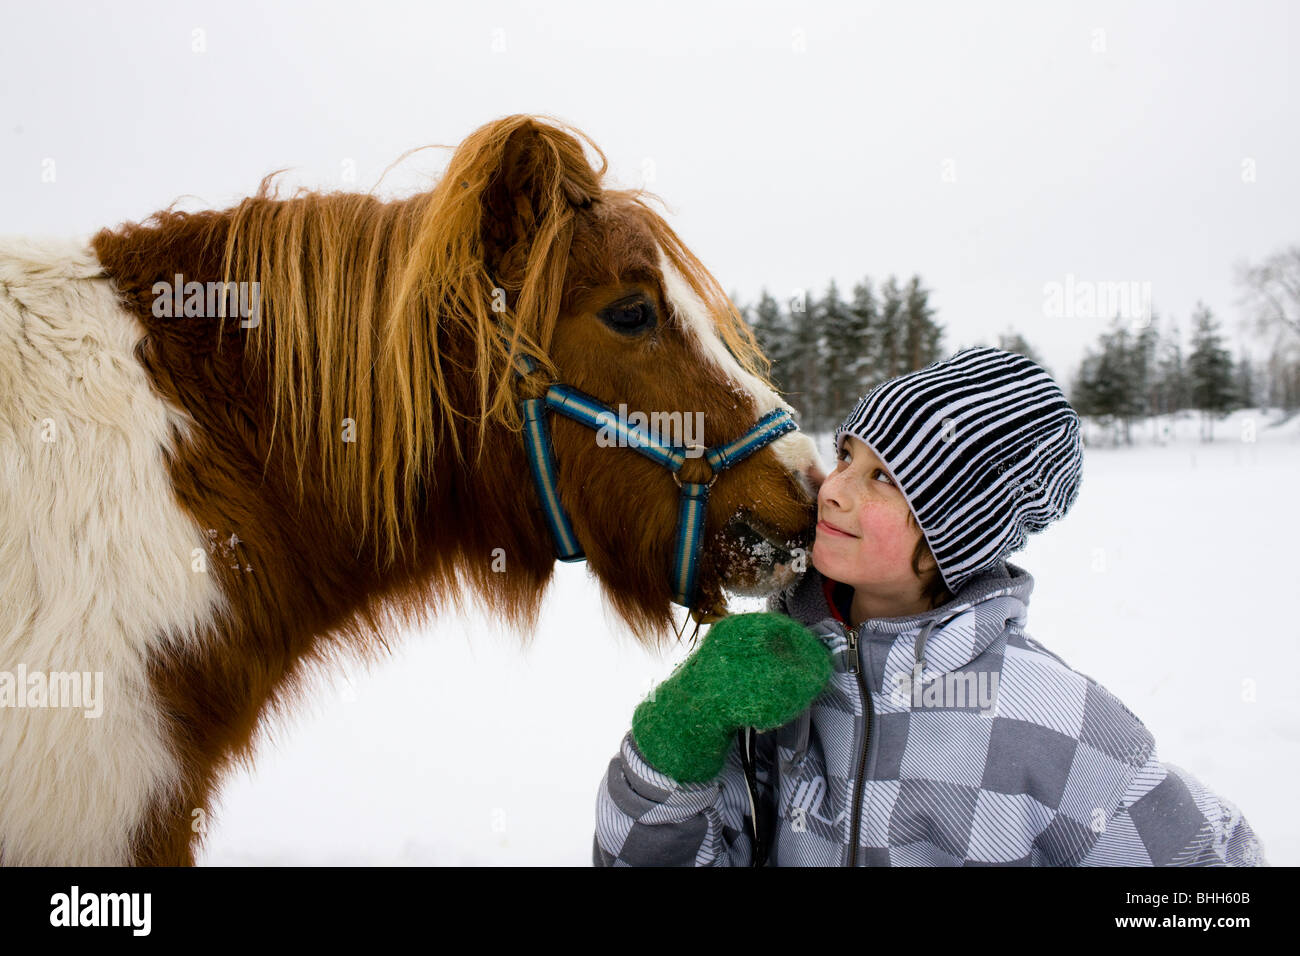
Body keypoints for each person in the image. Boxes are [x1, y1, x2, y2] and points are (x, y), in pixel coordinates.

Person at [592, 346, 1267, 866]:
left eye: (883, 478)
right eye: (847, 455)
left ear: (958, 528)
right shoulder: (772, 680)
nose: (832, 490)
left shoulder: (1056, 723)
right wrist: (675, 742)